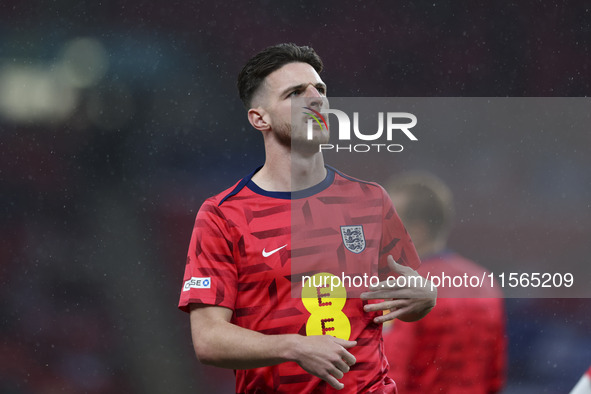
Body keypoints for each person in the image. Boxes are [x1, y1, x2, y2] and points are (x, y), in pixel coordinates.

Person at [177, 43, 436, 393]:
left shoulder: (370, 199)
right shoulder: (223, 215)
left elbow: (403, 303)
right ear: (259, 118)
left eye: (320, 90)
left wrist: (425, 298)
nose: (315, 99)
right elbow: (208, 340)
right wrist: (293, 346)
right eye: (296, 92)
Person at [382, 172, 507, 394]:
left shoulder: (402, 287)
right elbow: (494, 373)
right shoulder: (483, 281)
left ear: (416, 233)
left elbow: (392, 373)